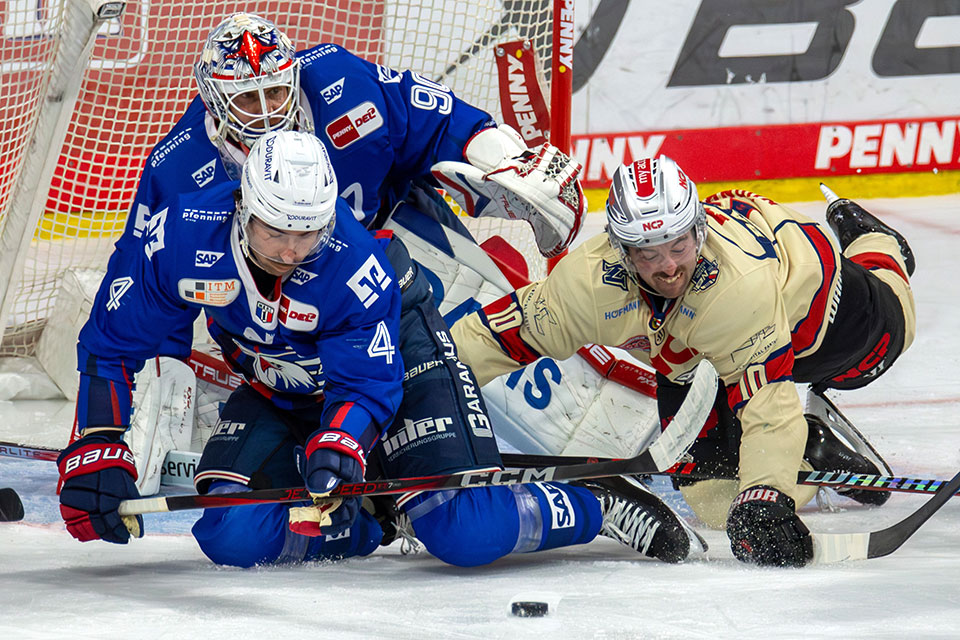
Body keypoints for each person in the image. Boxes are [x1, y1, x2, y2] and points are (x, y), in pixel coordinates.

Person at [56, 131, 694, 567]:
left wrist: (342, 442)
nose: (289, 249)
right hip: (281, 387)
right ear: (243, 204)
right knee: (231, 533)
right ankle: (384, 515)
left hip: (402, 366)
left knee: (462, 533)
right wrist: (96, 446)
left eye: (307, 231)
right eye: (276, 228)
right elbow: (110, 344)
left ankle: (593, 501)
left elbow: (367, 385)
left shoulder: (352, 262)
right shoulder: (176, 238)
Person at [452, 155, 917, 568]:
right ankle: (811, 444)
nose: (668, 267)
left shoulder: (738, 288)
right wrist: (417, 384)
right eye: (647, 253)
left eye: (678, 245)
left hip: (814, 304)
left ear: (698, 230)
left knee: (889, 340)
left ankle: (877, 242)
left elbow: (767, 407)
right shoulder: (586, 285)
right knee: (718, 503)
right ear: (620, 247)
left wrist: (768, 495)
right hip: (694, 356)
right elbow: (495, 338)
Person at [121, 12, 585, 358]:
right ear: (213, 99)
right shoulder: (175, 168)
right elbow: (141, 279)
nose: (266, 111)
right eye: (246, 99)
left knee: (486, 345)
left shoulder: (340, 79)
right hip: (268, 312)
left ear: (294, 77)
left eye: (277, 91)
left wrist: (502, 158)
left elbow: (432, 118)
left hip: (391, 241)